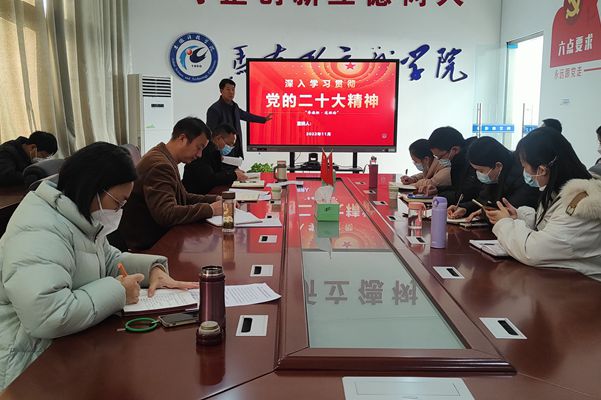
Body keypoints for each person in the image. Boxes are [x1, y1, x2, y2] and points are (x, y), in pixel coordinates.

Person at [0, 142, 197, 389]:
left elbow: (109, 260)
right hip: (29, 362)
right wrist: (119, 291)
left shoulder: (77, 214)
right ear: (93, 188)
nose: (119, 211)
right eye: (118, 202)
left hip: (69, 342)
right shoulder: (39, 230)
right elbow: (48, 315)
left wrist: (153, 270)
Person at [485, 127, 601, 281]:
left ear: (541, 170)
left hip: (586, 286)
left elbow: (532, 252)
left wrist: (504, 223)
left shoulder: (581, 205)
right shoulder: (560, 192)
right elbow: (551, 224)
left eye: (524, 167)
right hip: (565, 280)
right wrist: (519, 216)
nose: (524, 172)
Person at [119, 117, 222, 250]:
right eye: (199, 147)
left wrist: (215, 199)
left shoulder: (164, 157)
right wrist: (210, 209)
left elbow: (183, 197)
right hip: (150, 245)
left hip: (159, 236)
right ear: (182, 138)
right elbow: (166, 214)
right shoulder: (160, 165)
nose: (199, 155)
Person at [447, 136, 538, 221]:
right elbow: (483, 201)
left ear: (498, 166)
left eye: (481, 171)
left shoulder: (522, 178)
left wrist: (484, 213)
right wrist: (465, 208)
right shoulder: (495, 176)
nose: (478, 174)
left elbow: (510, 212)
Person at [206, 78, 272, 158]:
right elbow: (210, 133)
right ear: (221, 91)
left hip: (235, 147)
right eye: (228, 89)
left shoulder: (235, 106)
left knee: (235, 164)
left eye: (233, 90)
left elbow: (246, 116)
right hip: (221, 149)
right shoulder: (214, 109)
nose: (231, 92)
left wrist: (263, 119)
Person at [182, 123, 248, 194]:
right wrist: (234, 175)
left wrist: (233, 171)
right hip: (195, 195)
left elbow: (217, 172)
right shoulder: (205, 151)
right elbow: (210, 179)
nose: (230, 148)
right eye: (229, 144)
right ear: (218, 138)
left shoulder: (215, 151)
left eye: (232, 145)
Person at [422, 127, 481, 204]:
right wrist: (437, 189)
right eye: (436, 157)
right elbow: (458, 188)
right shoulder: (458, 160)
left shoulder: (473, 159)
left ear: (455, 150)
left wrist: (439, 195)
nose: (439, 160)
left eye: (440, 156)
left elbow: (466, 194)